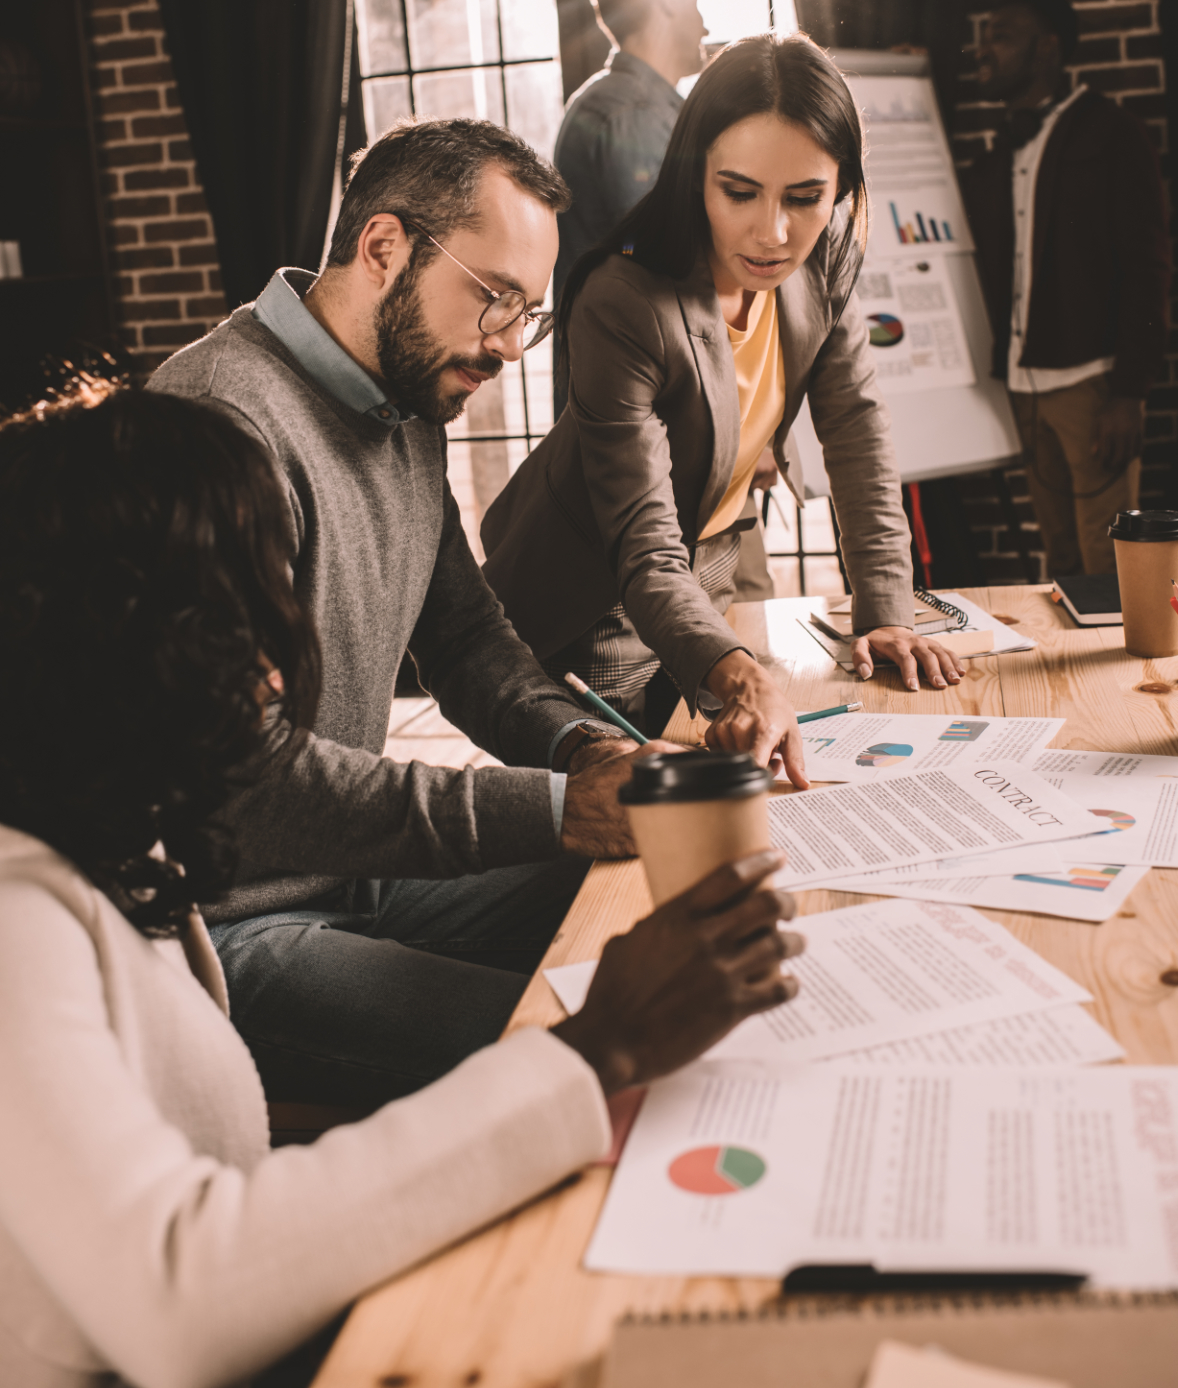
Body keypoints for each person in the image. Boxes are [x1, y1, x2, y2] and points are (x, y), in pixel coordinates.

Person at [0, 385, 802, 1388]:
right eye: (241, 618)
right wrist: (596, 1044)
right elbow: (179, 1299)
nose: (277, 677)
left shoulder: (111, 839)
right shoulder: (17, 921)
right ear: (110, 641)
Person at [149, 119, 676, 1110]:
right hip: (228, 929)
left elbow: (468, 640)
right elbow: (246, 780)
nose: (512, 346)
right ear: (382, 247)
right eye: (495, 300)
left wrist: (586, 754)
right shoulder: (217, 423)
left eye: (530, 314)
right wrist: (559, 809)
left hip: (354, 873)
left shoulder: (401, 400)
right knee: (585, 1054)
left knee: (674, 866)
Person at [482, 34, 964, 781]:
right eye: (739, 192)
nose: (773, 233)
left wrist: (886, 611)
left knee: (752, 795)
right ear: (693, 176)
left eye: (805, 198)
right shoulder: (625, 298)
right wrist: (740, 676)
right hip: (595, 605)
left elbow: (856, 429)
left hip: (708, 566)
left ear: (839, 188)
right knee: (623, 835)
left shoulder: (827, 256)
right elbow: (642, 548)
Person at [965, 0, 1170, 578]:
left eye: (1001, 36)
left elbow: (1148, 265)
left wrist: (1129, 390)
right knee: (1060, 564)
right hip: (1023, 389)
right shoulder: (1003, 147)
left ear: (1047, 49)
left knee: (1108, 565)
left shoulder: (1112, 132)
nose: (984, 51)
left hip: (1093, 388)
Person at [553, 0, 707, 337]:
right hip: (639, 361)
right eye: (696, 4)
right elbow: (669, 256)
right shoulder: (634, 113)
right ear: (669, 0)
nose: (705, 27)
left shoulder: (617, 103)